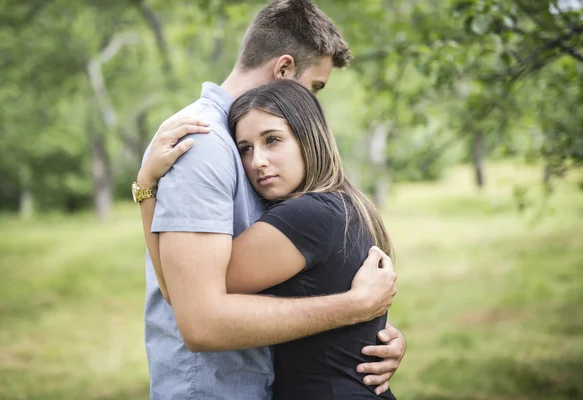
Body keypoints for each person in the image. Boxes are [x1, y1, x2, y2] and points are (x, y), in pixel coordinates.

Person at [134, 1, 405, 398]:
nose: (313, 106)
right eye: (314, 87)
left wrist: (367, 332)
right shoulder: (202, 143)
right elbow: (198, 316)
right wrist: (355, 308)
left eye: (270, 140)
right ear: (283, 70)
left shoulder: (296, 187)